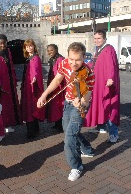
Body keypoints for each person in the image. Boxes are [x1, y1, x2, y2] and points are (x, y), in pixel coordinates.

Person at [37, 42, 95, 181]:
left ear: (83, 58)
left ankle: (77, 167)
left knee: (69, 137)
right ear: (67, 56)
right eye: (71, 59)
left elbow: (87, 98)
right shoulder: (63, 63)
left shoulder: (89, 73)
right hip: (67, 103)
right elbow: (57, 80)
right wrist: (44, 95)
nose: (74, 63)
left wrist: (80, 101)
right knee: (68, 130)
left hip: (79, 106)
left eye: (78, 60)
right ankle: (87, 149)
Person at [84, 29, 120, 143]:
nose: (96, 40)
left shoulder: (109, 49)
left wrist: (110, 78)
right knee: (101, 106)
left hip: (106, 84)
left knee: (108, 106)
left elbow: (111, 65)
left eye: (99, 38)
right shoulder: (98, 50)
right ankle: (102, 126)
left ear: (104, 38)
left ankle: (114, 133)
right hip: (98, 83)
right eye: (95, 38)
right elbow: (94, 64)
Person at [0, 34, 21, 135]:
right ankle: (2, 126)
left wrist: (14, 78)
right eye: (1, 44)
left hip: (10, 82)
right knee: (2, 105)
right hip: (2, 84)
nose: (3, 45)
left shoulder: (7, 52)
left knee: (10, 105)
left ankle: (9, 124)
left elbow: (11, 65)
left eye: (5, 43)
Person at [20, 39, 45, 139]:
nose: (29, 48)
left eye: (31, 46)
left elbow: (35, 70)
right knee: (32, 107)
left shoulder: (34, 58)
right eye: (27, 46)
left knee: (30, 108)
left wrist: (34, 78)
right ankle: (35, 129)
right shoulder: (30, 58)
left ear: (34, 46)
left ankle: (31, 132)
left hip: (31, 86)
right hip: (28, 85)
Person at [46, 44, 65, 132]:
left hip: (58, 87)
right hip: (54, 86)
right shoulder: (53, 59)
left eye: (51, 50)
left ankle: (61, 125)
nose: (50, 52)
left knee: (59, 106)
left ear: (56, 50)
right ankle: (57, 124)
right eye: (48, 50)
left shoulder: (60, 59)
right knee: (55, 106)